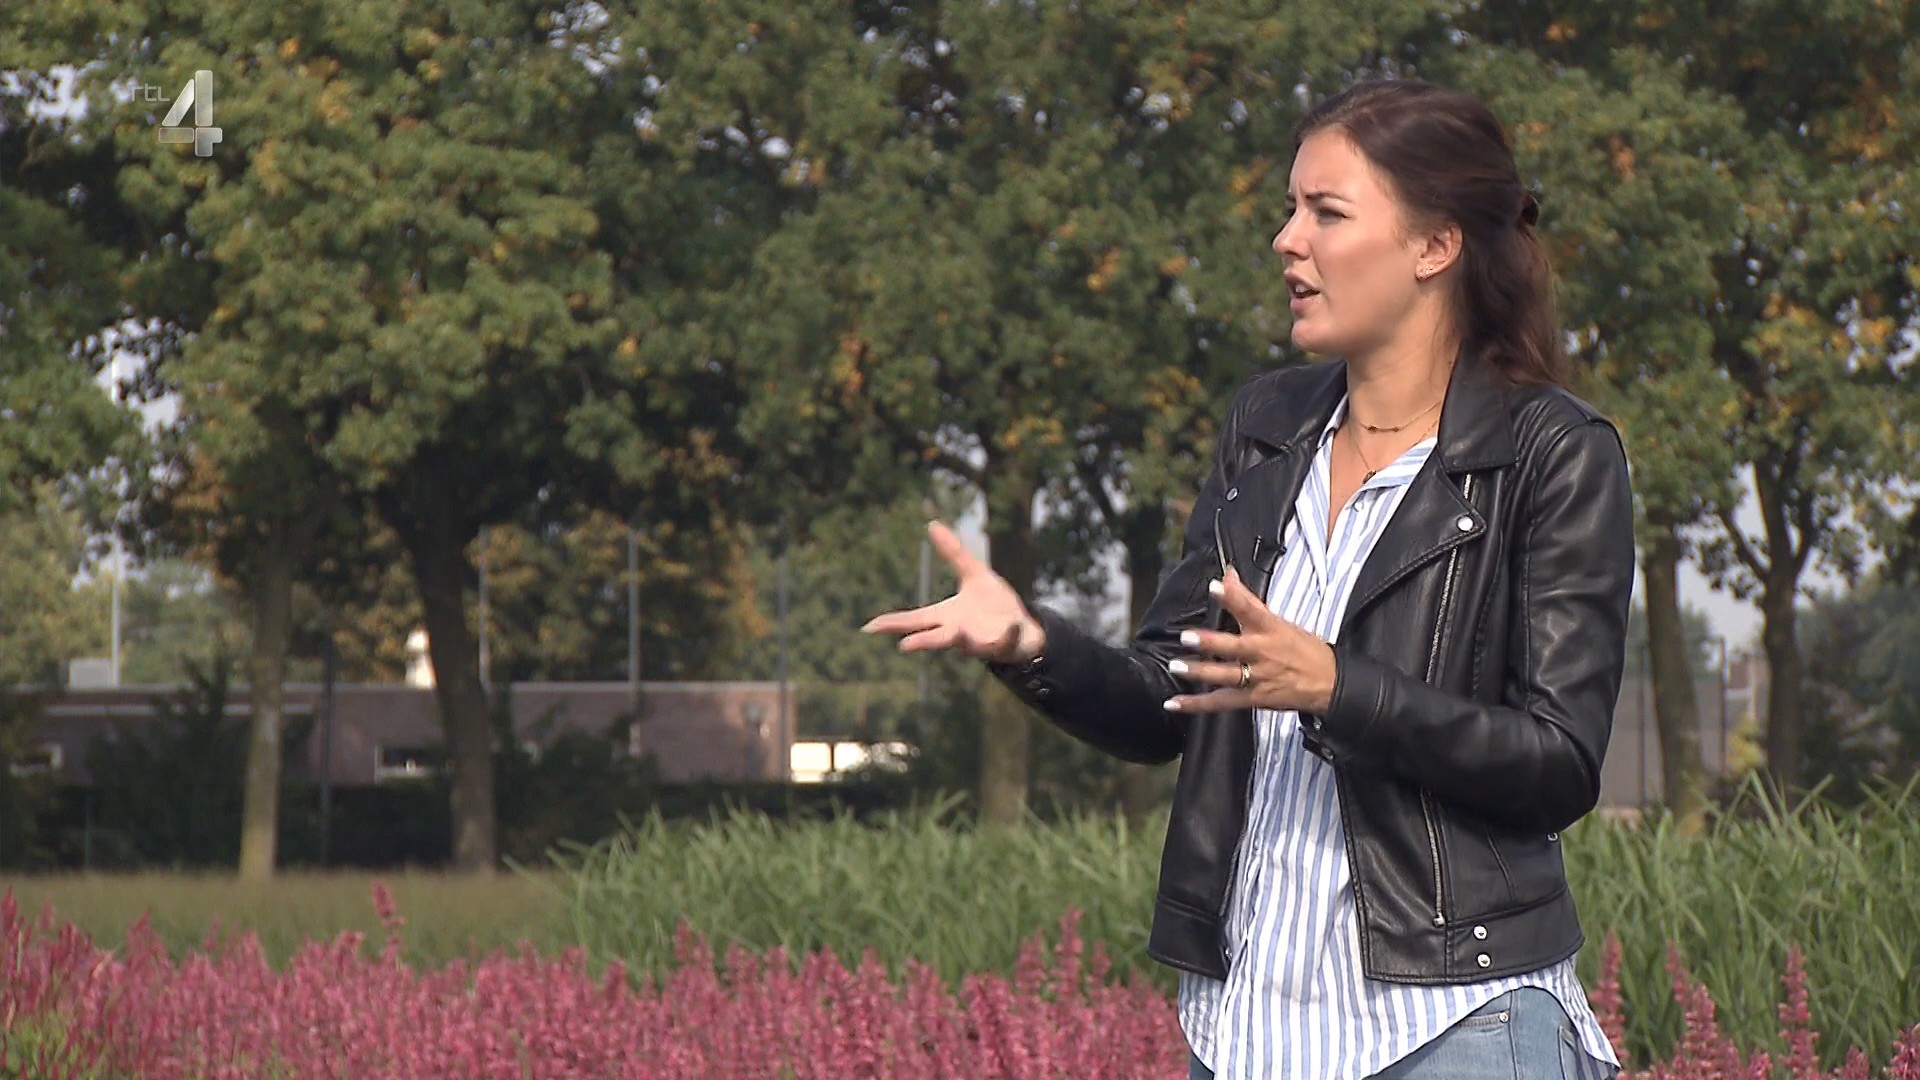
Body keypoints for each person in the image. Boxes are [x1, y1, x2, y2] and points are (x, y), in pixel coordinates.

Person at [863, 77, 1632, 1080]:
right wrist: (1030, 642)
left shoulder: (1554, 453)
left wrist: (1340, 689)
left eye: (1327, 212)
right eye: (1289, 208)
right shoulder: (1267, 426)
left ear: (1435, 245)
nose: (1286, 239)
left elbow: (1559, 764)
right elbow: (1169, 700)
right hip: (1244, 1035)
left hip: (1455, 1029)